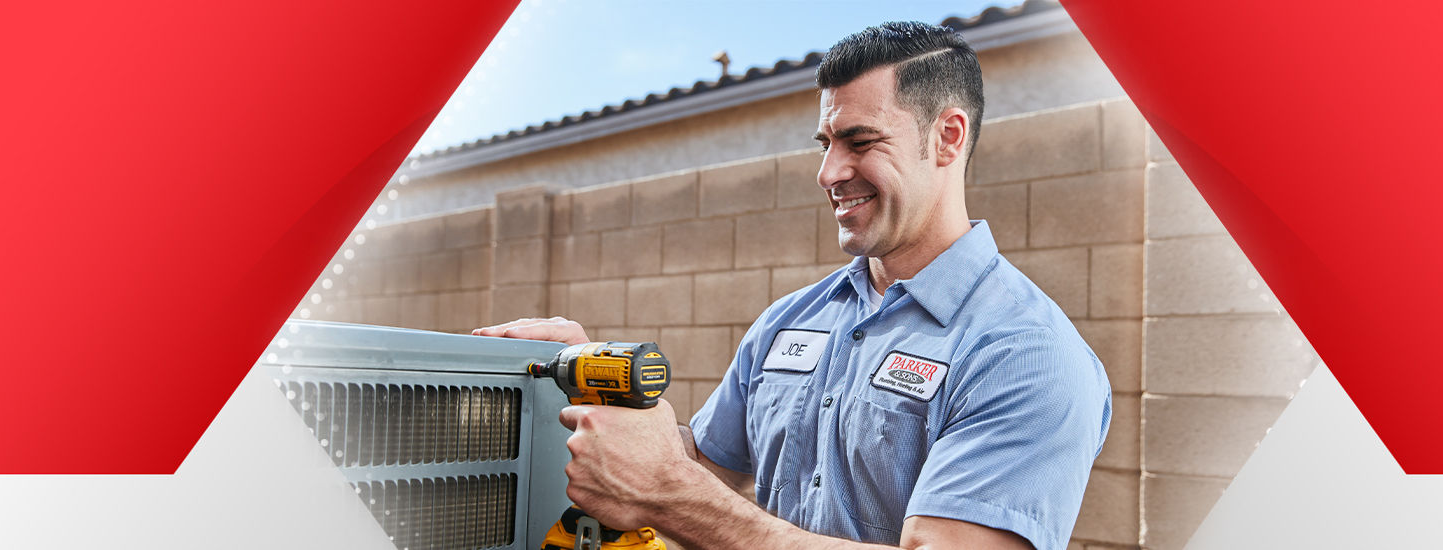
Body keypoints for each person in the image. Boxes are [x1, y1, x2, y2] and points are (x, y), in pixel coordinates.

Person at [474, 21, 1111, 550]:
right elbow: (697, 468)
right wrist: (584, 394)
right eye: (826, 142)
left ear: (947, 137)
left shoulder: (1026, 354)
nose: (829, 171)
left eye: (859, 141)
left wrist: (670, 491)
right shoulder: (792, 320)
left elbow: (677, 490)